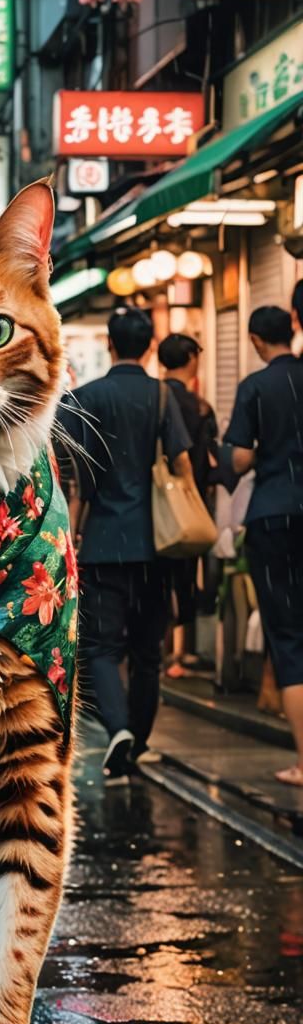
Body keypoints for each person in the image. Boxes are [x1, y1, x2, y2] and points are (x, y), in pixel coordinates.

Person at [55, 307, 193, 782]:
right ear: (150, 347)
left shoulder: (85, 399)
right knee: (148, 650)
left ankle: (117, 730)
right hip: (156, 543)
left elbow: (69, 473)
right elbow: (181, 464)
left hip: (101, 543)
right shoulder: (160, 396)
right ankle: (137, 737)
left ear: (110, 345)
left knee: (101, 648)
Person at [224, 305, 303, 787]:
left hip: (274, 515)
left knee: (290, 638)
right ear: (292, 329)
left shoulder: (256, 386)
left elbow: (237, 458)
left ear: (255, 340)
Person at [157, 333, 218, 678]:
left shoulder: (154, 397)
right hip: (189, 501)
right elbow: (205, 459)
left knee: (159, 577)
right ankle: (183, 652)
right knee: (186, 576)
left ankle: (163, 648)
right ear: (192, 358)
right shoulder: (198, 407)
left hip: (153, 503)